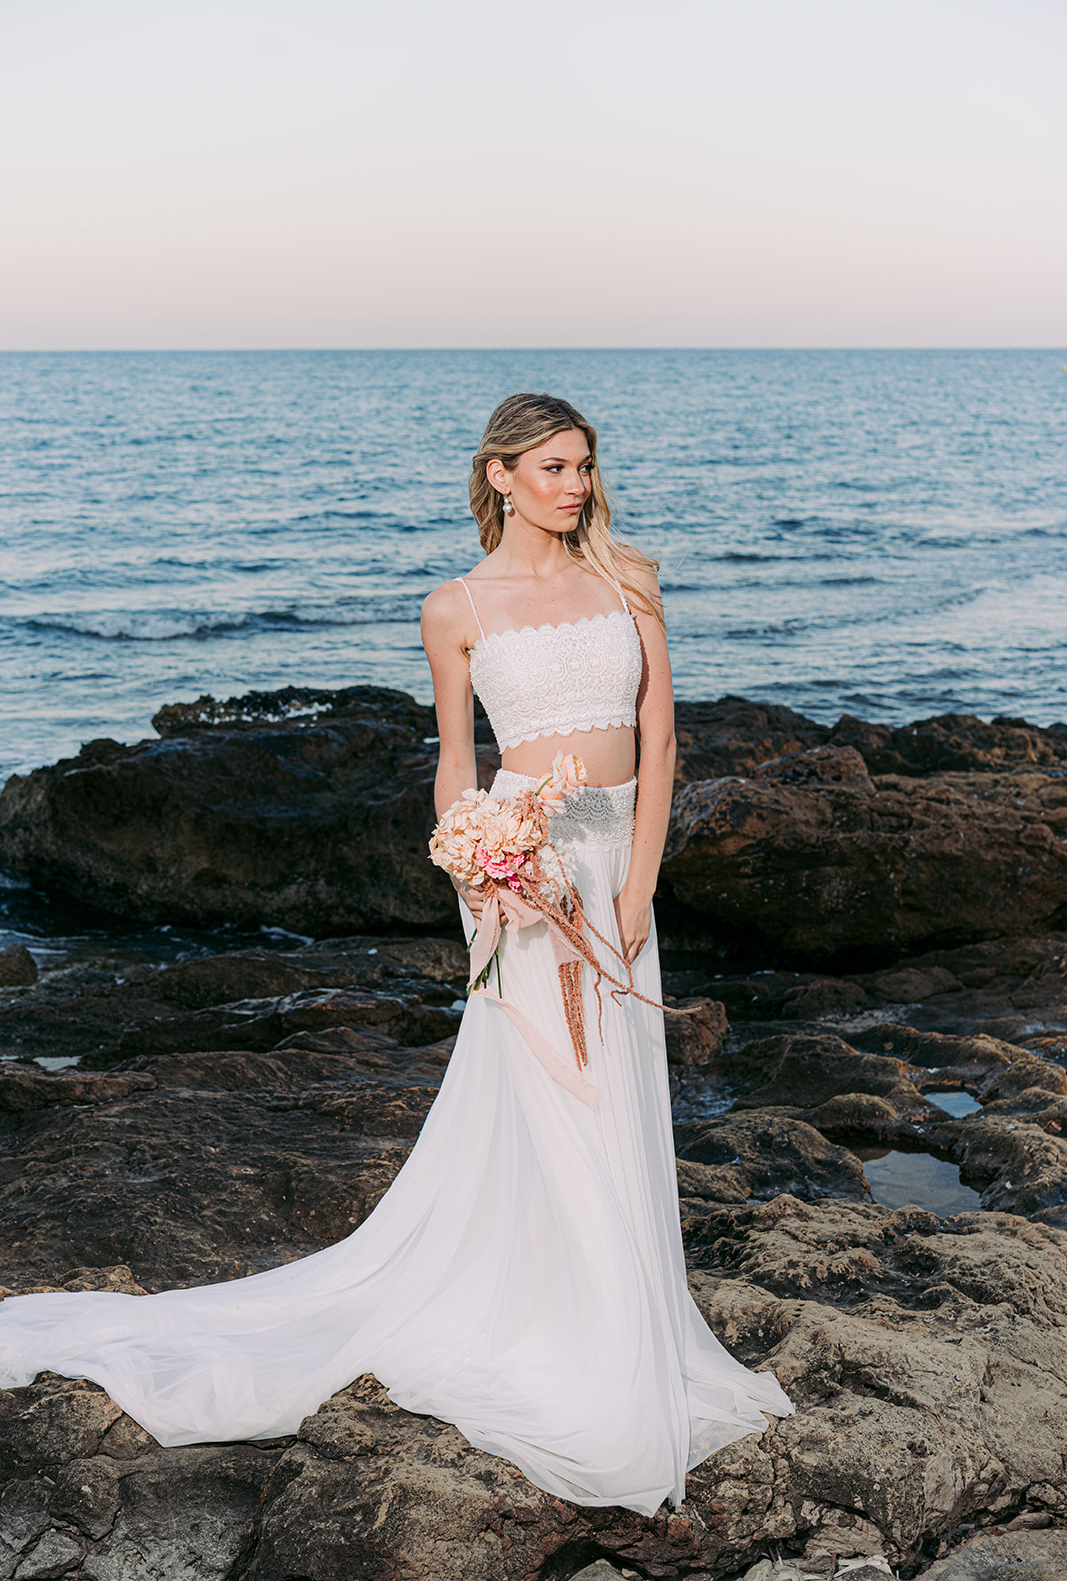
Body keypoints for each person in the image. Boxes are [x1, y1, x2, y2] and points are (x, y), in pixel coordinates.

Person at [0, 392, 791, 1516]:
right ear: (501, 474)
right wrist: (473, 868)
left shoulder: (629, 581)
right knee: (555, 1091)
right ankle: (583, 1345)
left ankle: (622, 1326)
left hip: (615, 859)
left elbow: (660, 738)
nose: (576, 485)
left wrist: (638, 884)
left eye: (584, 465)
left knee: (615, 1084)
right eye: (554, 467)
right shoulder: (454, 607)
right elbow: (454, 761)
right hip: (517, 867)